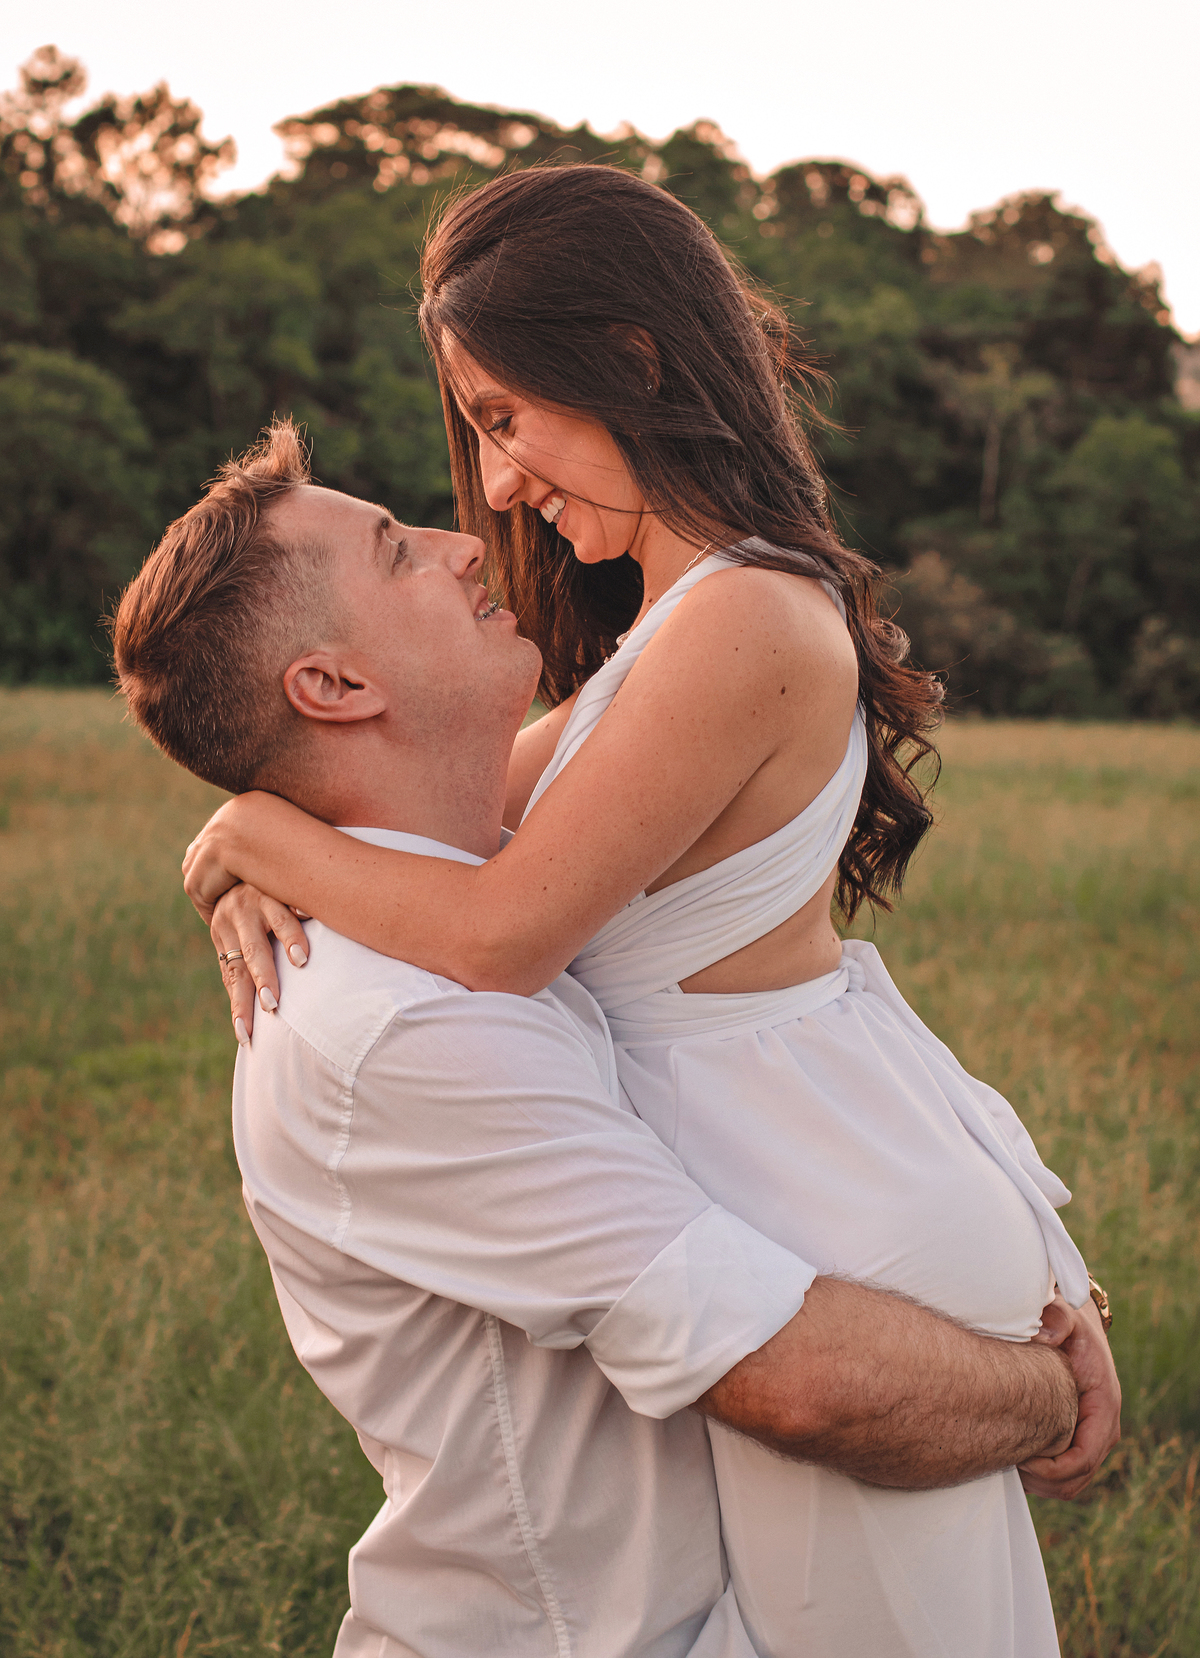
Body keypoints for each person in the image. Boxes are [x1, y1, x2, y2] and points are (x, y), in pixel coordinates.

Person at [181, 167, 1121, 1656]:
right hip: (800, 1205)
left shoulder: (739, 616)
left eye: (503, 418)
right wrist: (261, 834)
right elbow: (441, 819)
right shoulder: (672, 636)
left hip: (826, 1234)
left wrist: (254, 831)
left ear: (628, 360)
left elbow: (499, 928)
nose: (494, 487)